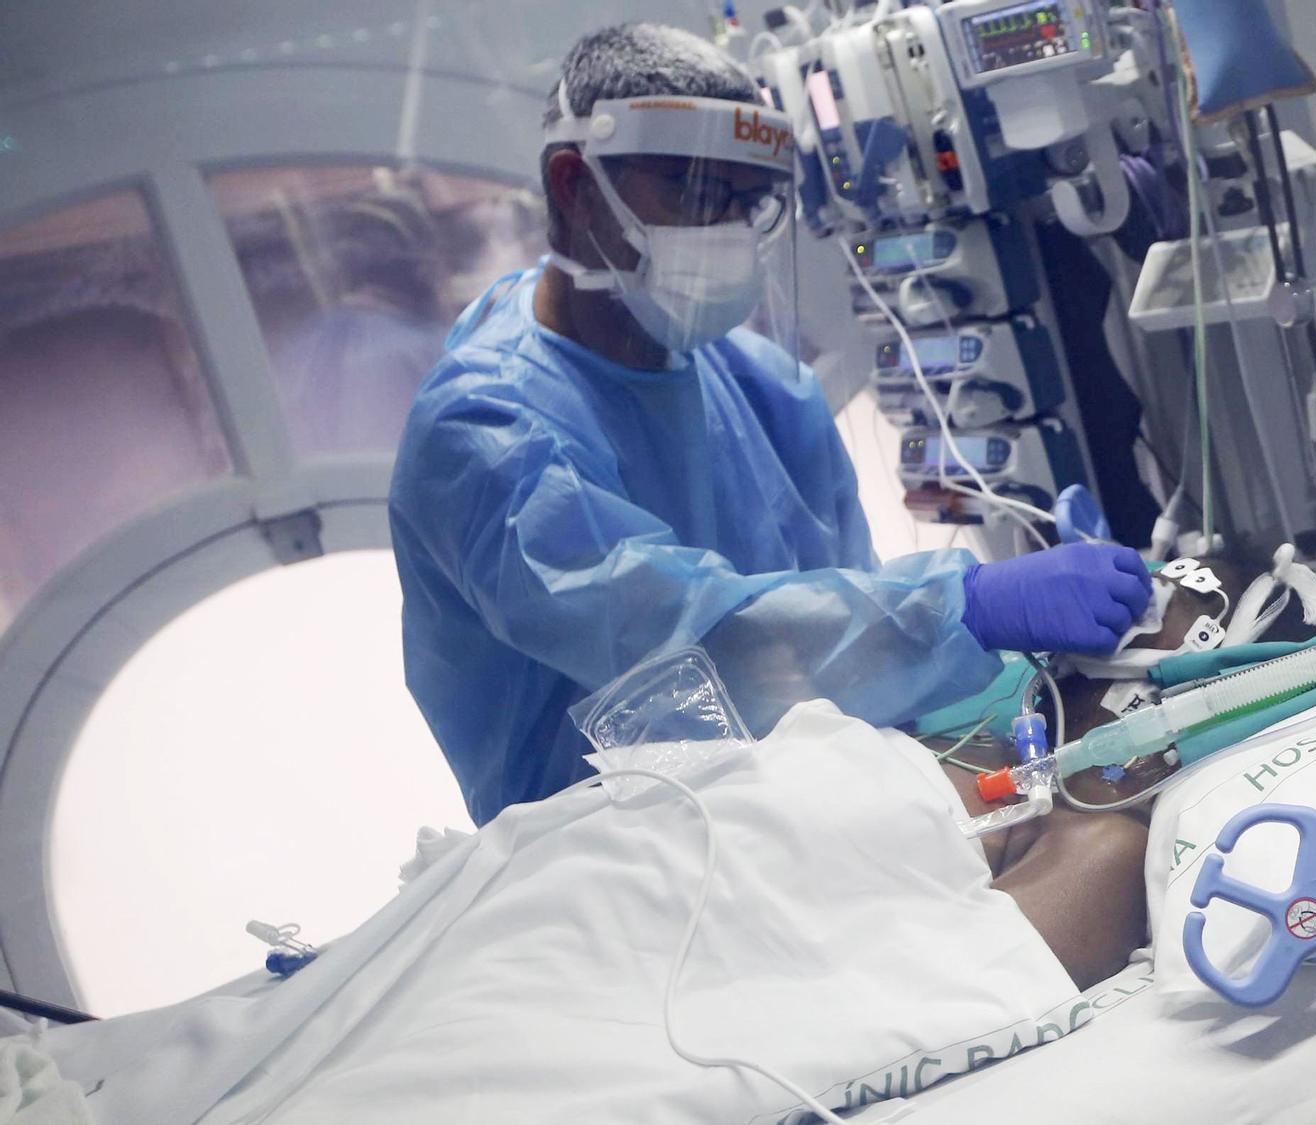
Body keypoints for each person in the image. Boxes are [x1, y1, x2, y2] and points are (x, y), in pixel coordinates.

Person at [390, 23, 1150, 826]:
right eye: (693, 192)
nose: (725, 227)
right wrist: (967, 605)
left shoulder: (762, 385)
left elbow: (841, 648)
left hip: (805, 789)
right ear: (576, 187)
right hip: (605, 848)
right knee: (1092, 847)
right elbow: (695, 652)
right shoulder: (486, 432)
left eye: (747, 201)